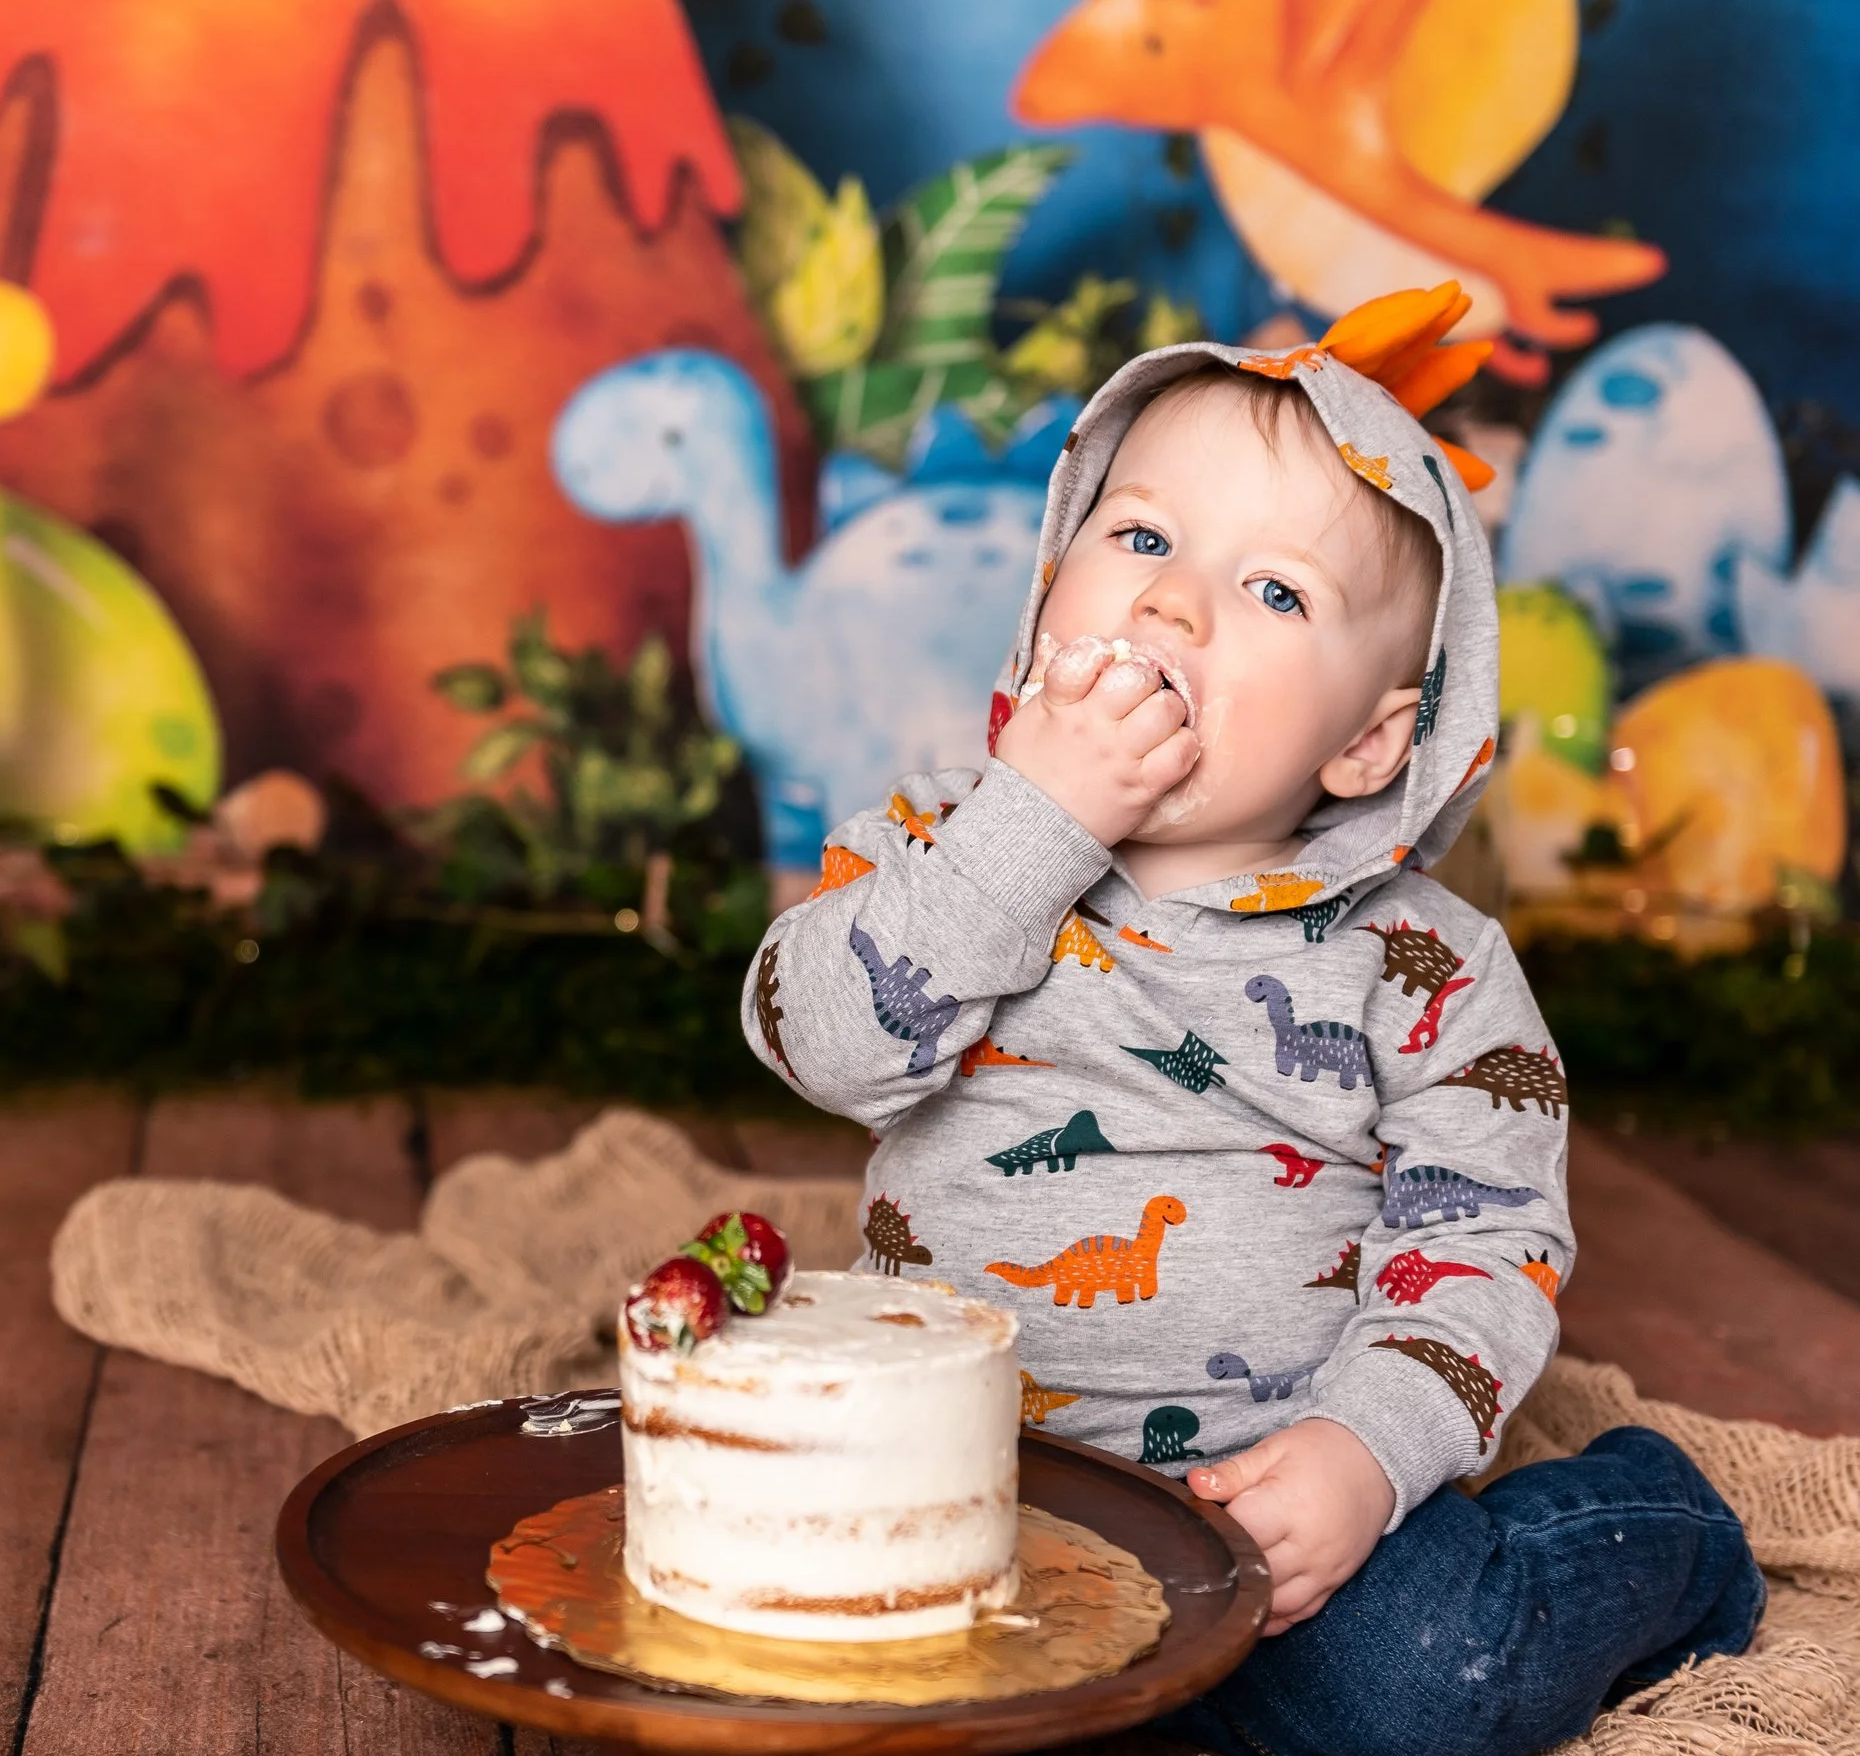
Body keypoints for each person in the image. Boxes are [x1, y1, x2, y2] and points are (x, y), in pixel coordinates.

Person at [740, 286, 1763, 1756]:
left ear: (1365, 743)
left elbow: (1483, 1238)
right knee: (771, 1637)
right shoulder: (934, 850)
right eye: (1142, 539)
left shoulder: (1425, 964)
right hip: (957, 1483)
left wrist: (1363, 1455)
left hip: (1259, 1509)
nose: (1170, 603)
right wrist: (1031, 829)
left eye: (1273, 590)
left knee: (1420, 1684)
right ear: (1049, 593)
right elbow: (822, 1042)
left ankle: (1657, 1525)